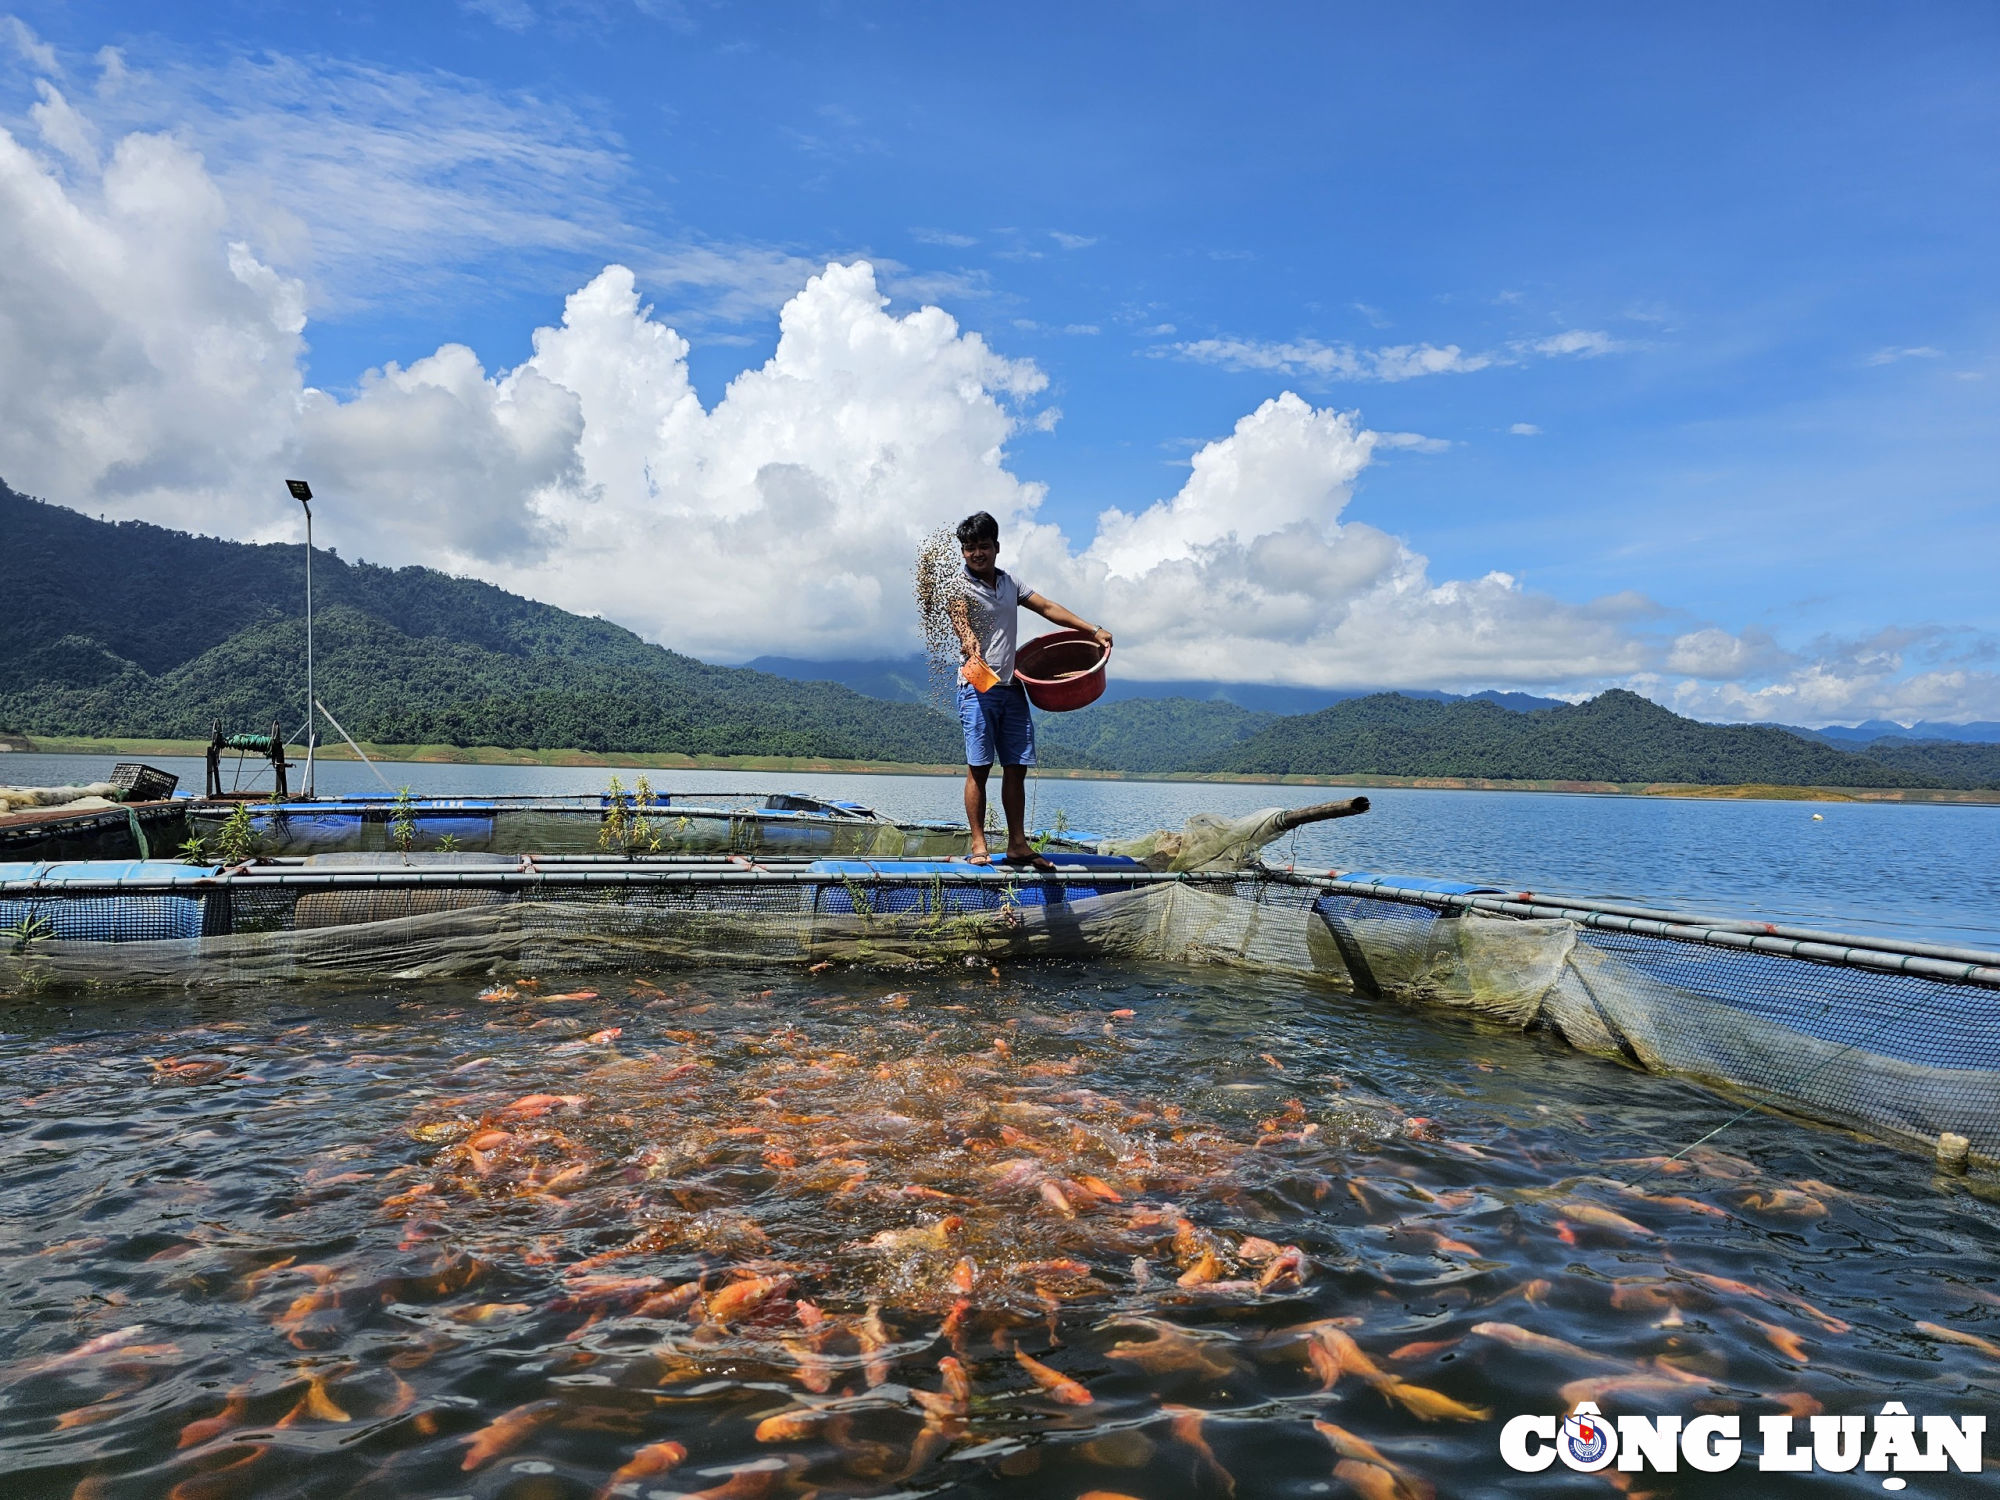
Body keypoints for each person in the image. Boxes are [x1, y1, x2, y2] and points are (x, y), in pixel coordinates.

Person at [946, 510, 1113, 867]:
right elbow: (961, 622)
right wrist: (969, 641)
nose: (977, 553)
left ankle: (1017, 844)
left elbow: (1048, 607)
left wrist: (1092, 630)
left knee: (1016, 766)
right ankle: (979, 845)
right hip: (977, 684)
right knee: (979, 767)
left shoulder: (1011, 584)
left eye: (984, 546)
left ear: (997, 547)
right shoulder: (957, 588)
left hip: (1010, 686)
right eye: (970, 548)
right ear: (963, 552)